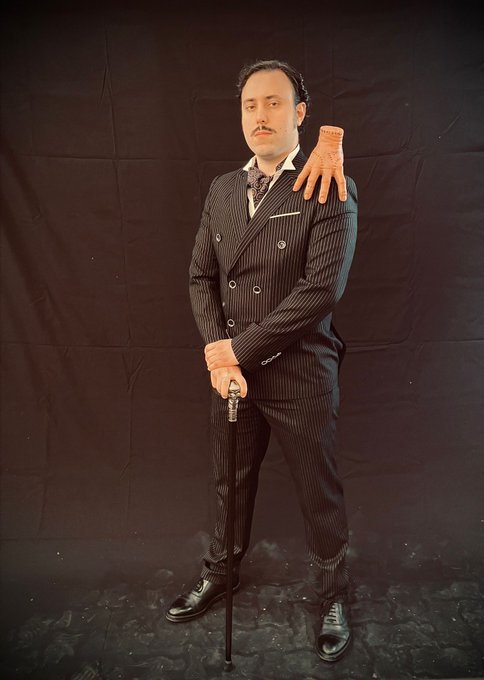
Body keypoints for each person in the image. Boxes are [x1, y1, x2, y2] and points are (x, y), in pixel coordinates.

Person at [166, 59, 358, 663]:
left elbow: (321, 290)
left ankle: (333, 595)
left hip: (301, 371)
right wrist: (219, 355)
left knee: (317, 489)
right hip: (235, 375)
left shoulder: (327, 181)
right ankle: (221, 571)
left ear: (300, 113)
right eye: (250, 105)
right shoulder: (223, 190)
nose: (260, 115)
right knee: (230, 478)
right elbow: (200, 275)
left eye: (274, 103)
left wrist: (237, 348)